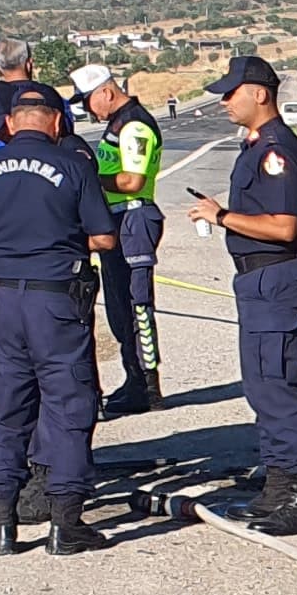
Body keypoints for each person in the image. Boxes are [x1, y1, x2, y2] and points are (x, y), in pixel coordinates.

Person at [0, 89, 118, 554]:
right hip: (55, 301)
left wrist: (12, 251)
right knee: (67, 406)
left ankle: (1, 527)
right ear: (57, 124)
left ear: (10, 124)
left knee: (6, 412)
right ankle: (65, 525)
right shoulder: (73, 166)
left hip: (1, 301)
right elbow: (104, 237)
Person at [189, 52, 297, 535]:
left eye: (231, 92)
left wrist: (223, 217)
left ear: (259, 93)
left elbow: (284, 226)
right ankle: (276, 485)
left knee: (274, 384)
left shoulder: (275, 150)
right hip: (257, 277)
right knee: (260, 385)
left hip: (275, 274)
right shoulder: (254, 145)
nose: (224, 101)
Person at [78, 61, 170, 416]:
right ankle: (133, 377)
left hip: (134, 217)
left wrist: (88, 179)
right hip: (118, 219)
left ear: (106, 91)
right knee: (118, 305)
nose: (88, 109)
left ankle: (147, 383)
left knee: (137, 304)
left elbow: (131, 181)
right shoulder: (117, 124)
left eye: (88, 100)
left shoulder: (134, 125)